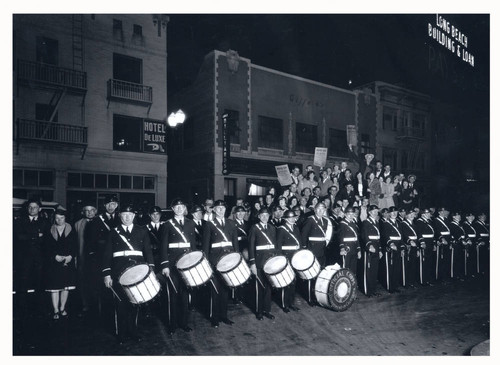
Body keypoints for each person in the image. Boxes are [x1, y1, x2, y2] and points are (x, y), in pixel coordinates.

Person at [102, 204, 155, 344]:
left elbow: (148, 251)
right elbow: (107, 254)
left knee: (135, 303)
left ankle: (133, 331)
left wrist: (151, 270)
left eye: (129, 215)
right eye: (124, 215)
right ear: (120, 216)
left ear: (134, 216)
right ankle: (121, 334)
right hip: (118, 271)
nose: (127, 217)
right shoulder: (113, 232)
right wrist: (106, 274)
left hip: (137, 270)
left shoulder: (142, 230)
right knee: (120, 303)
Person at [160, 199, 196, 334]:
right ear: (173, 209)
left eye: (182, 206)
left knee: (185, 293)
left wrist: (193, 263)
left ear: (185, 208)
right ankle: (172, 324)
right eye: (177, 207)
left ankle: (184, 322)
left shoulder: (190, 223)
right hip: (172, 263)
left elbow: (192, 245)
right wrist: (165, 265)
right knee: (172, 294)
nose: (180, 209)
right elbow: (163, 246)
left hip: (187, 263)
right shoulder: (167, 224)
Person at [202, 200, 238, 328]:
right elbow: (206, 246)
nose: (221, 210)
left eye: (223, 208)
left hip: (228, 260)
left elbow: (235, 244)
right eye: (218, 208)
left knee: (225, 289)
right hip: (215, 260)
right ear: (214, 210)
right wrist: (206, 263)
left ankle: (224, 316)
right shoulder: (209, 225)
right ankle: (214, 317)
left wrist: (236, 260)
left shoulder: (231, 223)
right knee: (214, 289)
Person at [86, 195, 121, 319]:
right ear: (104, 206)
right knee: (103, 286)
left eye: (113, 204)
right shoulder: (97, 220)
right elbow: (91, 240)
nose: (111, 207)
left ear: (116, 205)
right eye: (108, 204)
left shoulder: (122, 218)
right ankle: (104, 313)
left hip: (118, 258)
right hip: (102, 257)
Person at [44, 209, 77, 319]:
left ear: (65, 218)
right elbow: (46, 246)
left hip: (68, 261)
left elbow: (76, 245)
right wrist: (54, 256)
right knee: (55, 287)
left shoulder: (71, 229)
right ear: (54, 218)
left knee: (65, 287)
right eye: (57, 218)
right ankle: (56, 310)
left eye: (62, 218)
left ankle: (62, 308)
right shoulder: (50, 229)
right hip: (54, 262)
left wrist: (70, 256)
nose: (59, 220)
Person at [248, 207, 278, 320]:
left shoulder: (272, 228)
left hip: (270, 262)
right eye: (262, 215)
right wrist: (252, 263)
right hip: (259, 263)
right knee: (258, 288)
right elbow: (251, 247)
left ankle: (267, 310)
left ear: (270, 216)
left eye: (267, 215)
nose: (265, 217)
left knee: (268, 288)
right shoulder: (254, 228)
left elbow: (274, 246)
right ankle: (259, 311)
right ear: (259, 217)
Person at [301, 202, 331, 305]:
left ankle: (317, 296)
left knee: (320, 274)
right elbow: (304, 235)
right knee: (311, 275)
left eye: (323, 209)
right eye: (319, 209)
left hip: (322, 251)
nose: (321, 211)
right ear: (315, 210)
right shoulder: (310, 220)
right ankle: (309, 297)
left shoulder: (326, 221)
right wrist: (305, 249)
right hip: (312, 250)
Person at [276, 210, 302, 312]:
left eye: (294, 217)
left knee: (294, 281)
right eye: (290, 218)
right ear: (286, 219)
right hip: (286, 257)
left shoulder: (296, 228)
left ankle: (291, 302)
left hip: (295, 257)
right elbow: (278, 246)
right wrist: (282, 259)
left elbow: (299, 242)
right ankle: (284, 304)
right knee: (286, 281)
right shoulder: (281, 229)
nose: (292, 219)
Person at [73, 203, 96, 315]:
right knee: (83, 281)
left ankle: (97, 306)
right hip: (83, 258)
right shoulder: (78, 224)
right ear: (83, 212)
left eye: (92, 210)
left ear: (95, 211)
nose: (89, 212)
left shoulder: (100, 222)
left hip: (96, 259)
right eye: (87, 210)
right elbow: (75, 244)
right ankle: (85, 304)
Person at [360, 205, 382, 297]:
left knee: (374, 270)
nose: (376, 213)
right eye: (374, 211)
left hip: (376, 248)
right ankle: (367, 291)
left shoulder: (376, 222)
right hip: (369, 249)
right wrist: (369, 245)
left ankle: (373, 290)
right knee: (368, 271)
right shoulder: (366, 222)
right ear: (369, 212)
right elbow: (364, 236)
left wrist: (380, 250)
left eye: (377, 211)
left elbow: (378, 238)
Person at [380, 206, 403, 293]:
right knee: (389, 268)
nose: (394, 214)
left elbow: (401, 237)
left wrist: (402, 247)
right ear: (389, 214)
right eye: (392, 212)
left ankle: (395, 285)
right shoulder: (386, 224)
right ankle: (389, 286)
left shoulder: (399, 223)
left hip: (398, 247)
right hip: (390, 248)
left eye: (396, 212)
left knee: (397, 267)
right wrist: (391, 243)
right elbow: (385, 236)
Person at [337, 206, 361, 276]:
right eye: (349, 214)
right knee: (345, 269)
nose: (351, 216)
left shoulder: (353, 224)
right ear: (345, 215)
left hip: (354, 249)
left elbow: (356, 238)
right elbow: (340, 237)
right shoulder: (342, 224)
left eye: (352, 214)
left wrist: (358, 250)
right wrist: (342, 248)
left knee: (353, 270)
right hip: (346, 249)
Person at [415, 208, 435, 286]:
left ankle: (428, 279)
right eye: (427, 213)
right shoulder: (419, 222)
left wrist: (433, 243)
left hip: (430, 243)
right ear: (423, 214)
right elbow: (419, 233)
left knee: (429, 262)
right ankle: (422, 280)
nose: (429, 214)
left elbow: (433, 233)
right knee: (423, 262)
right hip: (424, 243)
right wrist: (422, 242)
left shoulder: (429, 221)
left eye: (429, 213)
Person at [400, 209, 419, 288]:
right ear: (406, 215)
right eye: (410, 214)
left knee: (413, 264)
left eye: (413, 214)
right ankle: (406, 282)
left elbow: (417, 236)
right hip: (408, 247)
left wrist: (417, 247)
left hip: (414, 246)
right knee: (407, 265)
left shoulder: (414, 224)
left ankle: (412, 281)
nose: (412, 216)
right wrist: (409, 241)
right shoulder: (403, 224)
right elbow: (403, 235)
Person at [433, 207, 452, 282]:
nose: (444, 212)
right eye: (442, 211)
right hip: (441, 241)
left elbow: (450, 231)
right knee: (441, 260)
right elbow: (436, 231)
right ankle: (440, 277)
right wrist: (441, 239)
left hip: (448, 240)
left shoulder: (447, 220)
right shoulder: (436, 220)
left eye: (445, 211)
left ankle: (445, 275)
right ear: (439, 212)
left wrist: (450, 241)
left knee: (447, 259)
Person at [145, 206, 165, 272]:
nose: (156, 216)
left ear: (160, 215)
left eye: (157, 214)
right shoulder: (145, 228)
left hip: (163, 255)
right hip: (151, 256)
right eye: (153, 214)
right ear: (149, 215)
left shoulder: (165, 226)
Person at [449, 211, 467, 280]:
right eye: (457, 216)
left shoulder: (460, 224)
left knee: (460, 260)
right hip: (456, 244)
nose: (459, 217)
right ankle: (454, 275)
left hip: (462, 243)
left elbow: (464, 234)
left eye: (459, 216)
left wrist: (466, 239)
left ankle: (460, 274)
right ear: (453, 217)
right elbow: (454, 234)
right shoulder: (452, 225)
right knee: (455, 260)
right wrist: (461, 240)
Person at [463, 212, 478, 277]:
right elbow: (464, 234)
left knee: (474, 257)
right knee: (468, 257)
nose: (472, 217)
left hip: (474, 241)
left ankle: (473, 271)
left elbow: (476, 234)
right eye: (470, 216)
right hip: (468, 242)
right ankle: (468, 272)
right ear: (467, 217)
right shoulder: (464, 224)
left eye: (473, 216)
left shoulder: (474, 224)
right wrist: (468, 240)